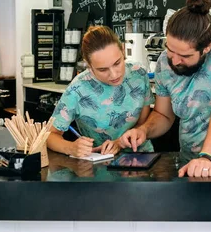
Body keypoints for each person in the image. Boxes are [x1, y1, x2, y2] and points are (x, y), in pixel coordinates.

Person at [120, 0, 211, 178]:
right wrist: (143, 130)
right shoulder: (164, 63)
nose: (175, 61)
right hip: (190, 163)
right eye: (170, 49)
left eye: (184, 56)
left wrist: (207, 156)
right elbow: (163, 115)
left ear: (206, 48)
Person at [48, 25, 153, 158]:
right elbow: (49, 136)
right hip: (99, 163)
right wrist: (71, 147)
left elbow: (143, 124)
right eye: (103, 70)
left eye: (117, 63)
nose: (114, 75)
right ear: (89, 66)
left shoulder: (139, 74)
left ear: (123, 49)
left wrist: (119, 143)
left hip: (141, 157)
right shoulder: (77, 89)